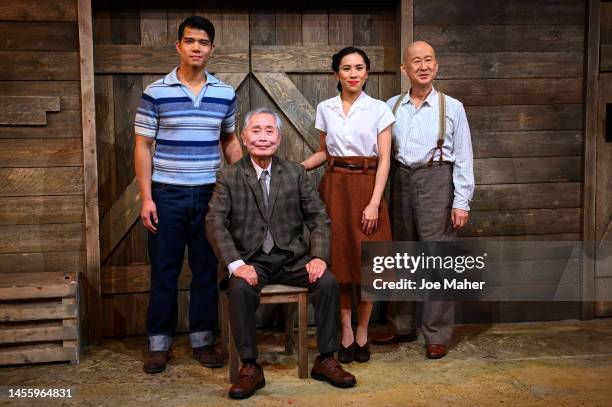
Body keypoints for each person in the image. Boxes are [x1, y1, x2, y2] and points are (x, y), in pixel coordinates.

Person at [206, 108, 357, 399]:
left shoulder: (295, 173)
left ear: (278, 138)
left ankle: (326, 359)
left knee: (327, 282)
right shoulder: (229, 175)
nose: (263, 137)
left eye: (269, 131)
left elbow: (319, 218)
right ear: (245, 138)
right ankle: (251, 367)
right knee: (238, 288)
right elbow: (214, 222)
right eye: (256, 130)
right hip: (251, 260)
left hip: (291, 259)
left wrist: (319, 257)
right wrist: (235, 264)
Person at [134, 15, 242, 374]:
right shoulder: (156, 92)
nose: (197, 48)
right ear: (179, 45)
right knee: (164, 270)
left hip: (210, 195)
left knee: (205, 270)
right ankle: (158, 345)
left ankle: (202, 341)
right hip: (167, 194)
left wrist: (241, 183)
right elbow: (143, 145)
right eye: (190, 41)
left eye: (204, 42)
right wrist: (147, 197)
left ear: (211, 48)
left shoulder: (225, 93)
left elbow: (229, 140)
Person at [370, 41, 475, 359]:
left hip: (437, 180)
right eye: (416, 61)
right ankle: (401, 325)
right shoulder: (392, 105)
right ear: (405, 69)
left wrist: (462, 200)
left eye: (429, 60)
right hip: (401, 180)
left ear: (437, 65)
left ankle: (437, 333)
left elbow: (465, 157)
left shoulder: (452, 107)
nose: (423, 66)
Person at [301, 47, 395, 364]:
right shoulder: (325, 108)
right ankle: (346, 332)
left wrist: (373, 203)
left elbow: (384, 160)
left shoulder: (379, 109)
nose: (353, 73)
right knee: (339, 261)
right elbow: (323, 153)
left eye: (359, 68)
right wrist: (293, 169)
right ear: (336, 74)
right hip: (335, 187)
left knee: (369, 263)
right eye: (346, 68)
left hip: (369, 186)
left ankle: (364, 330)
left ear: (367, 73)